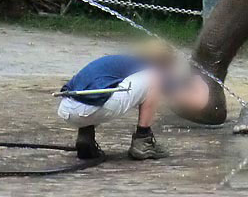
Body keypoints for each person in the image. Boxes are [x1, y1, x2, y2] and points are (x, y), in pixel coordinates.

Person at [57, 40, 209, 162]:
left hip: (66, 108)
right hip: (90, 110)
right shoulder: (152, 69)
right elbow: (197, 103)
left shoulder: (123, 63)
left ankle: (86, 137)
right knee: (154, 79)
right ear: (165, 63)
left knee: (100, 89)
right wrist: (202, 84)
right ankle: (143, 141)